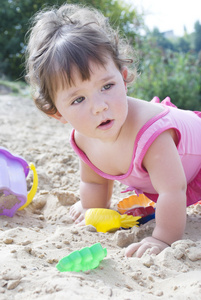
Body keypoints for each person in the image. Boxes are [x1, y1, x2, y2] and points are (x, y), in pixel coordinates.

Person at [25, 3, 201, 258]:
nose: (99, 107)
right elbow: (93, 180)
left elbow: (172, 191)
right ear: (58, 113)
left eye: (107, 86)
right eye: (78, 100)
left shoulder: (151, 135)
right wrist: (92, 209)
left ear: (123, 77)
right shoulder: (83, 138)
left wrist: (162, 238)